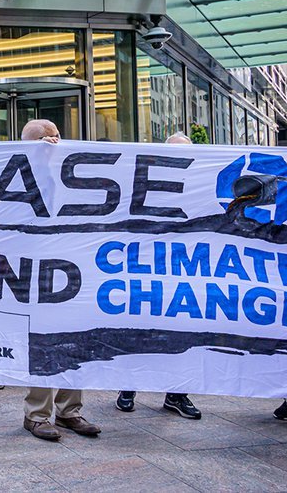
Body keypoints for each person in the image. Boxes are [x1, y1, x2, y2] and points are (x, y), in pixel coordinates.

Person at [21, 119, 101, 441]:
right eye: (48, 140)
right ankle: (36, 415)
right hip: (36, 271)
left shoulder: (75, 172)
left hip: (73, 269)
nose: (57, 142)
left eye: (57, 136)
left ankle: (70, 411)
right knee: (44, 341)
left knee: (74, 339)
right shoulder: (17, 172)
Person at [115, 131, 202, 420]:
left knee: (179, 333)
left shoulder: (200, 185)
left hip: (183, 270)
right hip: (145, 267)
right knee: (138, 328)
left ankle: (176, 394)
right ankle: (128, 387)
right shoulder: (143, 182)